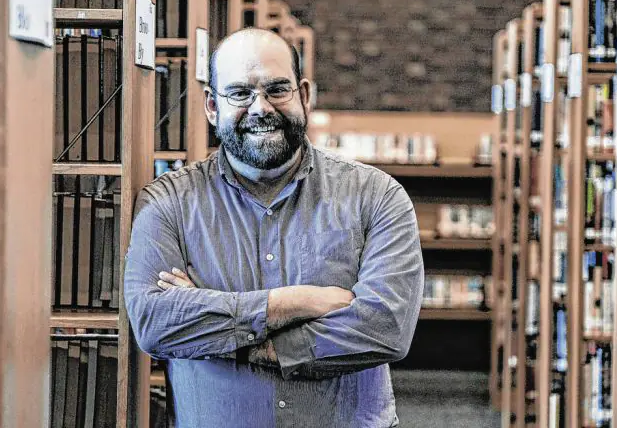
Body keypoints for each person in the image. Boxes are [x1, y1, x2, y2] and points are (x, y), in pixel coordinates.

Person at [124, 28, 424, 427]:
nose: (260, 108)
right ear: (212, 107)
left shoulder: (377, 196)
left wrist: (231, 336)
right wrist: (291, 303)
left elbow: (386, 327)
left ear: (304, 95)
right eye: (240, 94)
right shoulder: (167, 203)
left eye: (276, 89)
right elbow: (153, 322)